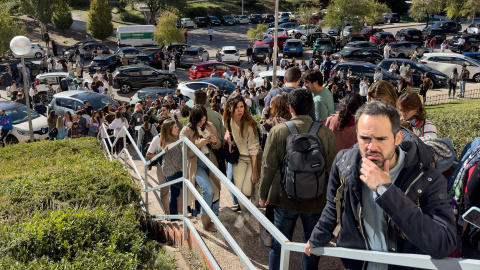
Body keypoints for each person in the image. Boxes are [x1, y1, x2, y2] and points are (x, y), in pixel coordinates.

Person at [305, 101, 456, 269]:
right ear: (357, 135)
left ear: (397, 138)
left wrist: (386, 191)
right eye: (365, 138)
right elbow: (333, 206)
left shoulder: (427, 178)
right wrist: (317, 237)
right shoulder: (344, 164)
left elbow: (443, 243)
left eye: (381, 139)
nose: (372, 147)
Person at [259, 88, 337, 269]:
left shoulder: (278, 131)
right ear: (311, 108)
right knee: (313, 247)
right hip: (316, 200)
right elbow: (333, 169)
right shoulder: (325, 133)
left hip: (284, 198)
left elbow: (268, 166)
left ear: (290, 108)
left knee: (279, 245)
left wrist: (263, 194)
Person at [180, 105, 221, 232]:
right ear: (193, 118)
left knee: (216, 189)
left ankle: (213, 214)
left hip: (210, 161)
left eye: (204, 120)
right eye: (200, 121)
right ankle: (206, 221)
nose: (203, 123)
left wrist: (214, 141)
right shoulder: (185, 131)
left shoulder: (209, 125)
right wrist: (198, 145)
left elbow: (218, 145)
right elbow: (185, 153)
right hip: (196, 164)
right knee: (208, 190)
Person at [223, 94, 262, 228]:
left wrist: (255, 171)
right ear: (230, 109)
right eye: (237, 107)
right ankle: (245, 213)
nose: (240, 110)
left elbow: (254, 149)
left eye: (242, 107)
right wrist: (228, 139)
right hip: (238, 159)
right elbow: (227, 131)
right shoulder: (228, 121)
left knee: (246, 190)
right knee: (238, 191)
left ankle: (254, 197)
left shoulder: (249, 125)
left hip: (252, 158)